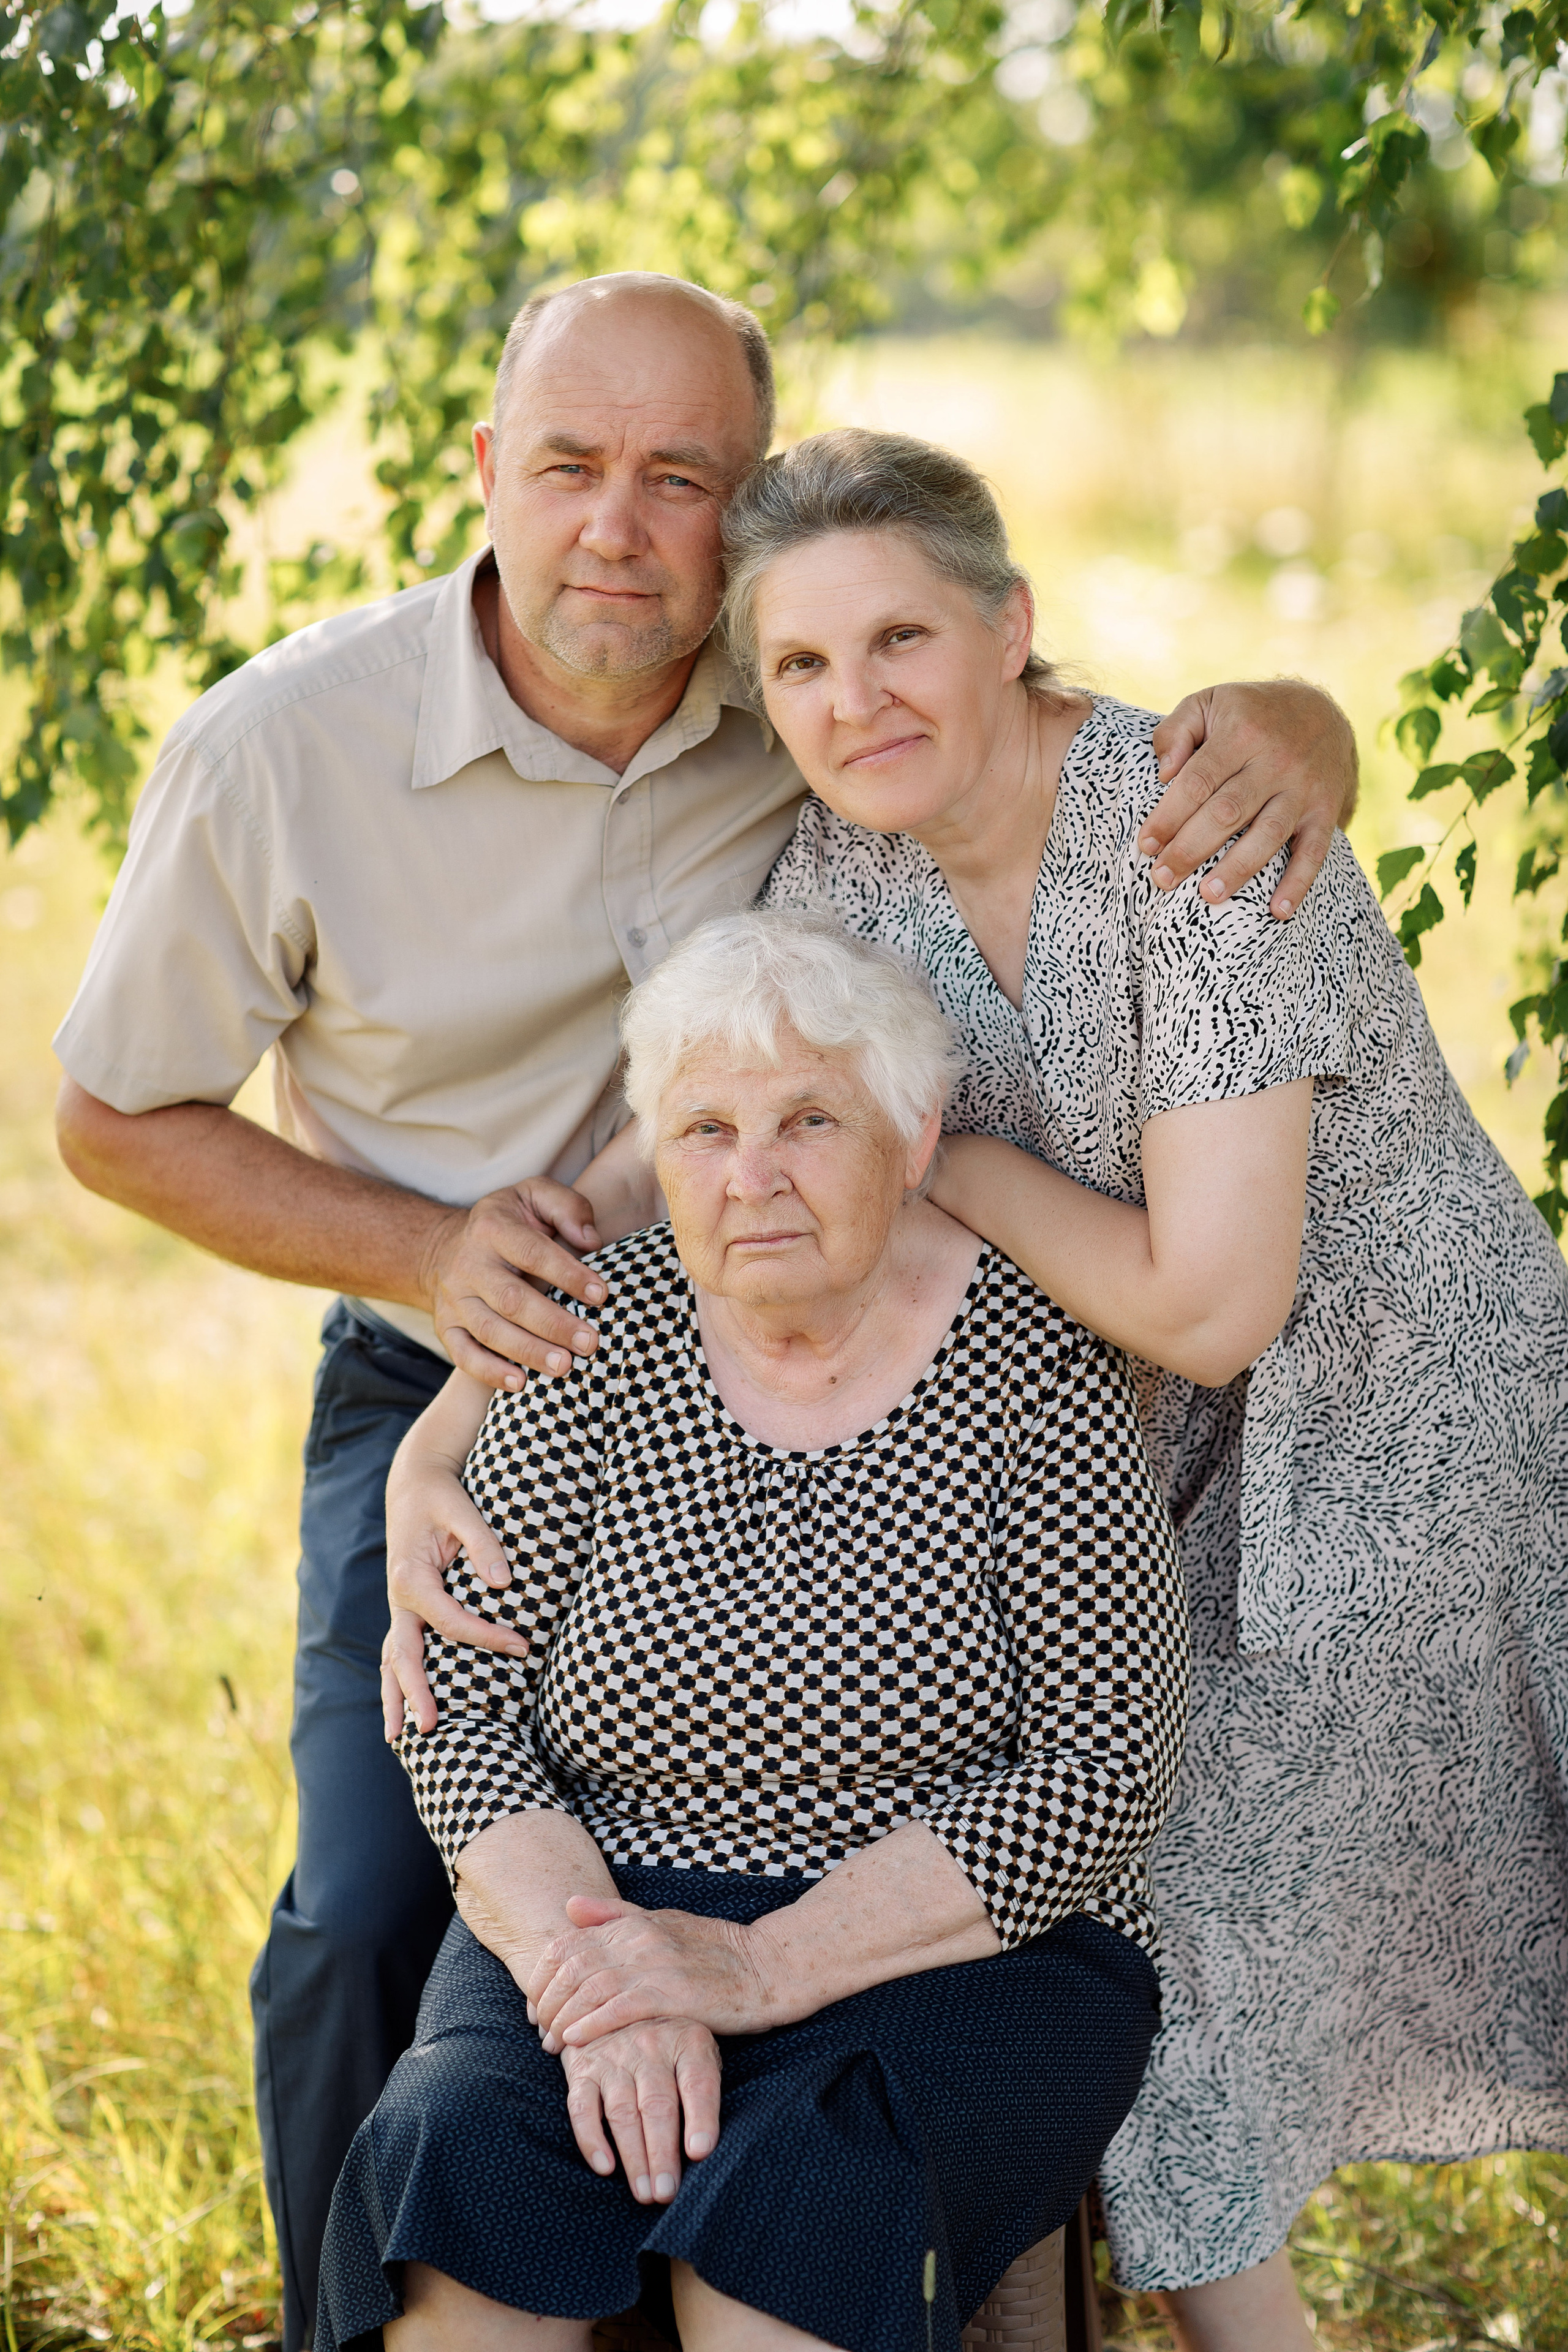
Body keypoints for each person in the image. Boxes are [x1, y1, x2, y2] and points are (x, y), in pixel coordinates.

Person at [50, 270, 1355, 2352]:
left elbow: (1056, 726)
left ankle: (804, 2235)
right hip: (468, 1341)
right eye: (567, 467)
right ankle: (361, 2301)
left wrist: (1302, 723)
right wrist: (425, 1269)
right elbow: (114, 1119)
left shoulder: (811, 705)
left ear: (740, 522)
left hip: (858, 1326)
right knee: (381, 1902)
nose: (617, 527)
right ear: (483, 474)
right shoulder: (285, 750)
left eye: (683, 480)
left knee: (916, 1847)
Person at [393, 426, 1568, 2350]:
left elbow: (1205, 1304)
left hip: (1403, 1444)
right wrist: (463, 1401)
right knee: (1175, 2038)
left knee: (1240, 1998)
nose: (854, 703)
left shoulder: (1196, 836)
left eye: (901, 644)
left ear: (1012, 627)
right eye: (798, 666)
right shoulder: (851, 858)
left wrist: (928, 1152)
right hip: (1170, 1471)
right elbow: (708, 1107)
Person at [317, 906, 1190, 2352]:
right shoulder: (591, 1339)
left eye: (808, 1121)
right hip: (597, 1905)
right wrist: (607, 1976)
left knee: (802, 2203)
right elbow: (458, 1714)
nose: (753, 1177)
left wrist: (751, 1968)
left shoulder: (1033, 1361)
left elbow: (1103, 1772)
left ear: (913, 1140)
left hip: (954, 1944)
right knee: (466, 2153)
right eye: (706, 1129)